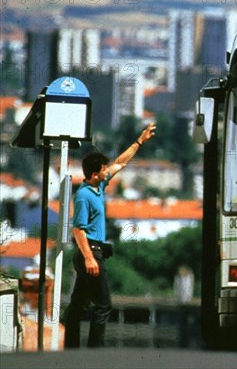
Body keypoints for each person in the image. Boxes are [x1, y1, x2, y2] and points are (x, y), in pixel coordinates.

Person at [64, 122, 156, 348]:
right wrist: (88, 258)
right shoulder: (84, 195)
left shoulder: (99, 186)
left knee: (77, 307)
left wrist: (139, 142)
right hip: (91, 253)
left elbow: (120, 163)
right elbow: (78, 229)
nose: (108, 171)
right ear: (95, 174)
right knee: (103, 305)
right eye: (104, 169)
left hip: (93, 252)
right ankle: (95, 352)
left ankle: (71, 349)